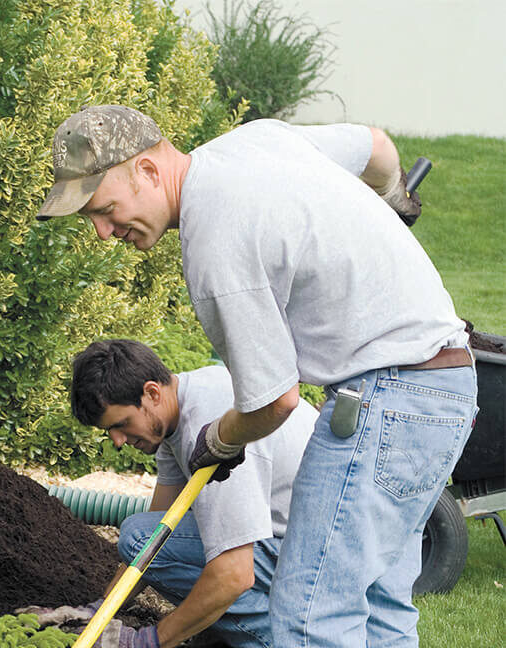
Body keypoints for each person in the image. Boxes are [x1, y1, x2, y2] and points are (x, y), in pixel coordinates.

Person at [37, 106, 478, 647]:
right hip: (447, 386)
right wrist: (390, 203)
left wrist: (217, 439)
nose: (104, 232)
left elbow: (276, 402)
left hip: (383, 396)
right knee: (379, 609)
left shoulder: (214, 241)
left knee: (311, 617)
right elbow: (378, 147)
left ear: (148, 171)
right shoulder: (256, 143)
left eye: (105, 209)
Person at [61, 338, 315, 648]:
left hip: (310, 558)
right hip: (287, 545)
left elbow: (235, 574)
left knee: (139, 536)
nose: (117, 440)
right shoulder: (174, 417)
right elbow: (153, 544)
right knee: (146, 536)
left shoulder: (210, 424)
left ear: (152, 392)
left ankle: (294, 639)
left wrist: (149, 641)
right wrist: (98, 612)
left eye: (122, 424)